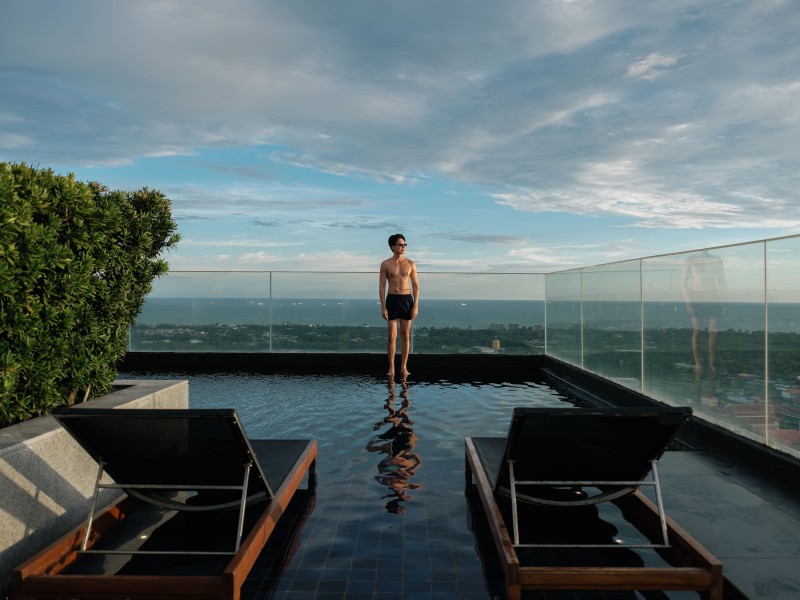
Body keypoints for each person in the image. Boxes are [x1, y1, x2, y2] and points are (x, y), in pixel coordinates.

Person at [379, 233, 420, 379]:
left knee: (405, 334)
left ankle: (404, 367)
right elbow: (382, 286)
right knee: (392, 335)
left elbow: (416, 286)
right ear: (393, 246)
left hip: (407, 299)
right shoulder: (386, 264)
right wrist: (383, 306)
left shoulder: (411, 263)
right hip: (392, 299)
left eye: (405, 245)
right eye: (400, 245)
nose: (403, 247)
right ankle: (391, 368)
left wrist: (415, 305)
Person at [681, 250, 726, 376]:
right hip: (696, 296)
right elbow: (683, 284)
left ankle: (712, 363)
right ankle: (698, 364)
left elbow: (722, 281)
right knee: (697, 332)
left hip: (713, 296)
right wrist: (688, 302)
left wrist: (724, 302)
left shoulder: (716, 260)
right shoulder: (689, 260)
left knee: (713, 333)